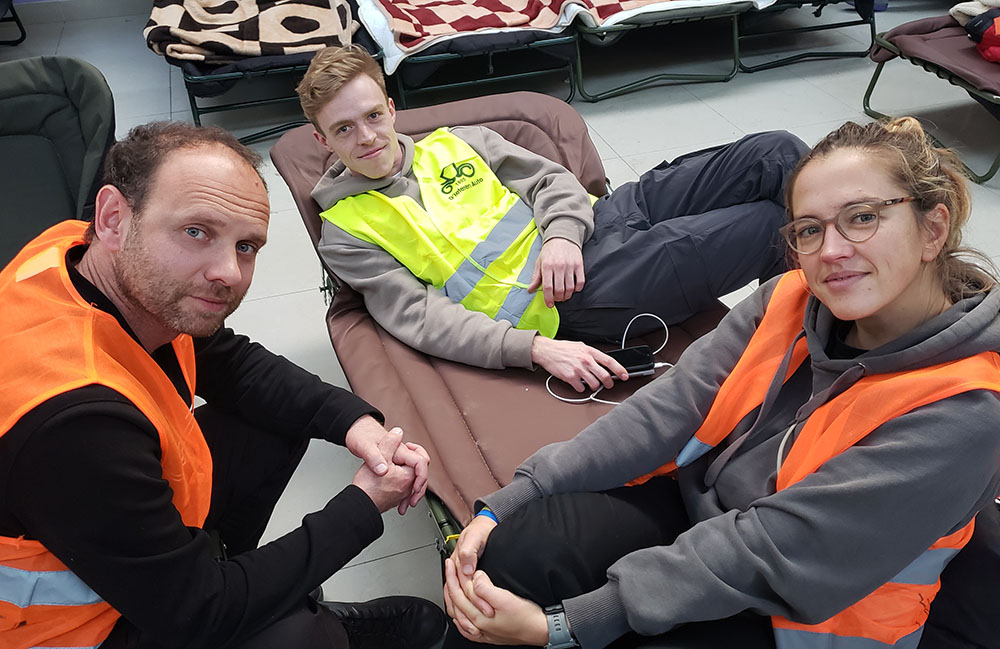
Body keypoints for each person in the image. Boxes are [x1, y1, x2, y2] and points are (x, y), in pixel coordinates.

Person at [440, 117, 1000, 649]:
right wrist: (517, 495)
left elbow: (775, 548)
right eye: (810, 229)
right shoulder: (789, 299)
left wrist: (565, 625)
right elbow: (670, 407)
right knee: (516, 554)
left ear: (933, 228)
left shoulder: (967, 407)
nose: (830, 252)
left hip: (813, 611)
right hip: (711, 509)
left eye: (862, 217)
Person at [0, 122, 447, 649]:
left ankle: (261, 594)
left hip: (113, 547)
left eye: (246, 246)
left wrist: (355, 423)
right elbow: (197, 611)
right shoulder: (74, 422)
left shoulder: (80, 257)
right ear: (114, 217)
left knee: (272, 419)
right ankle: (285, 616)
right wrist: (363, 503)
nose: (228, 272)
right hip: (64, 631)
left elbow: (235, 365)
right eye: (196, 232)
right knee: (302, 638)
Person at [295, 45, 810, 392]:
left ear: (389, 107)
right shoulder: (346, 229)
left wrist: (562, 234)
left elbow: (552, 181)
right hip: (570, 298)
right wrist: (536, 349)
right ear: (323, 140)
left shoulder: (457, 142)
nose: (366, 138)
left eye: (372, 117)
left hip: (605, 217)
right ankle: (816, 339)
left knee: (777, 152)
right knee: (769, 226)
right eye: (343, 129)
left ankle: (873, 266)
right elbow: (422, 320)